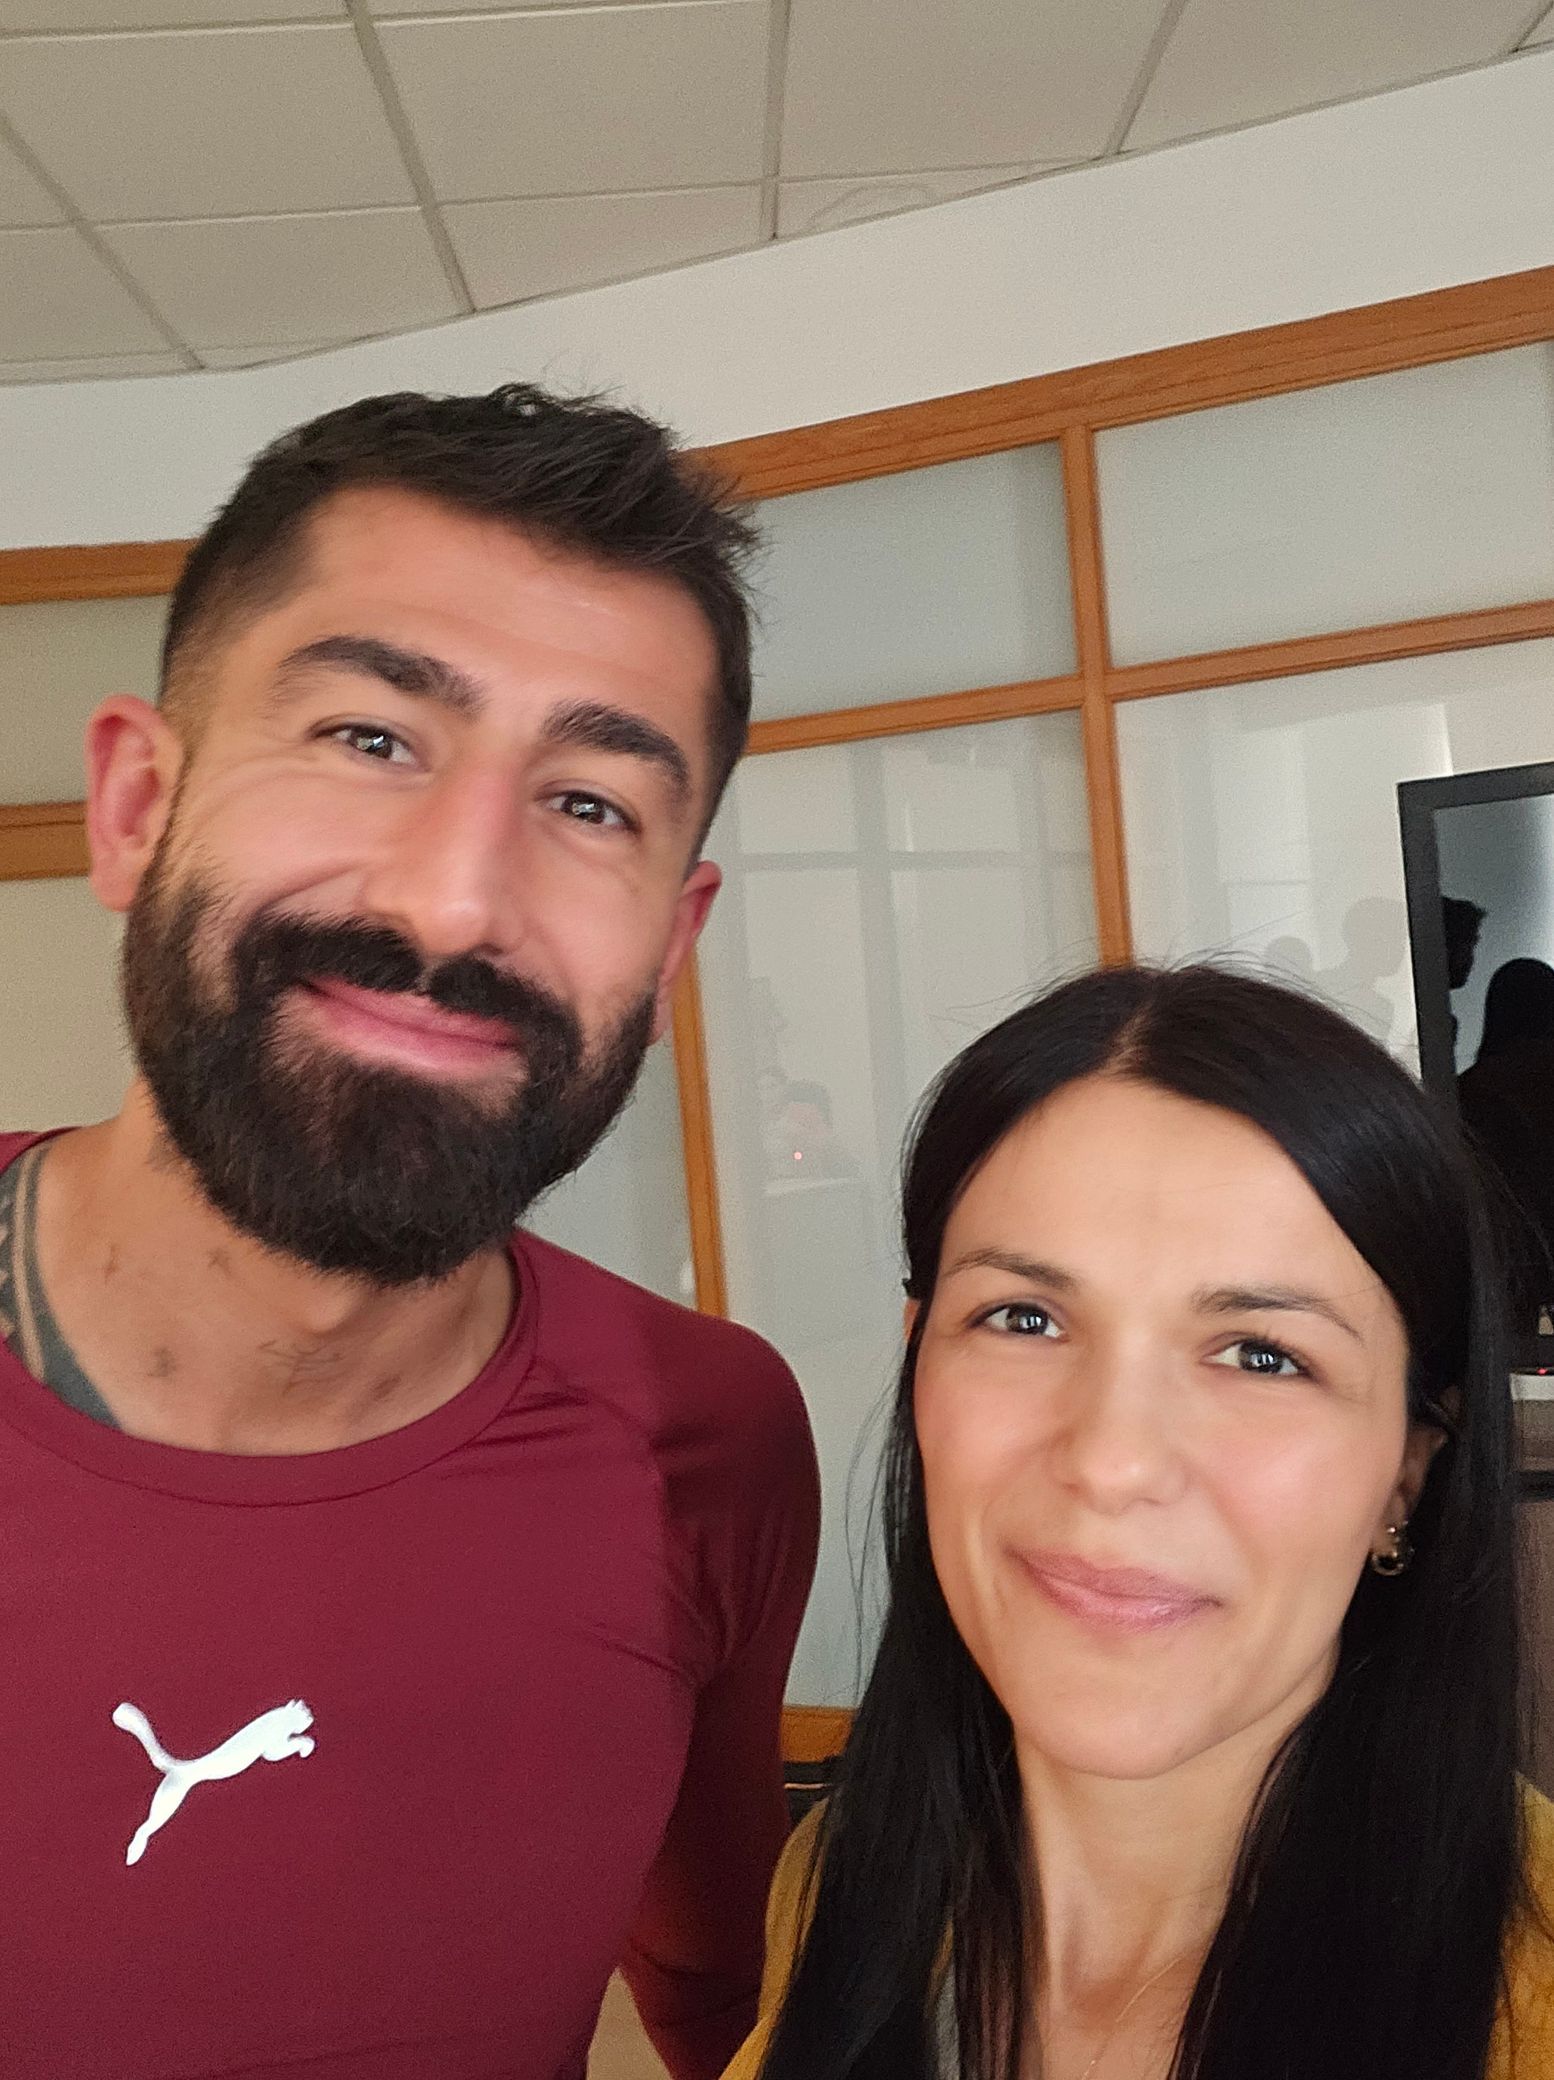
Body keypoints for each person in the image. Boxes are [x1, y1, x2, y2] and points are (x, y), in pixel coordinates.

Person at [0, 386, 819, 2080]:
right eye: (369, 738)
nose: (452, 902)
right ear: (137, 806)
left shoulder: (706, 1438)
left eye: (590, 804)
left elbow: (715, 1990)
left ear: (670, 947)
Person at [726, 965, 1554, 2080]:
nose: (1112, 1462)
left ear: (1407, 1470)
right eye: (1024, 1318)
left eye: (1262, 1355)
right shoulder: (841, 1887)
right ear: (919, 1361)